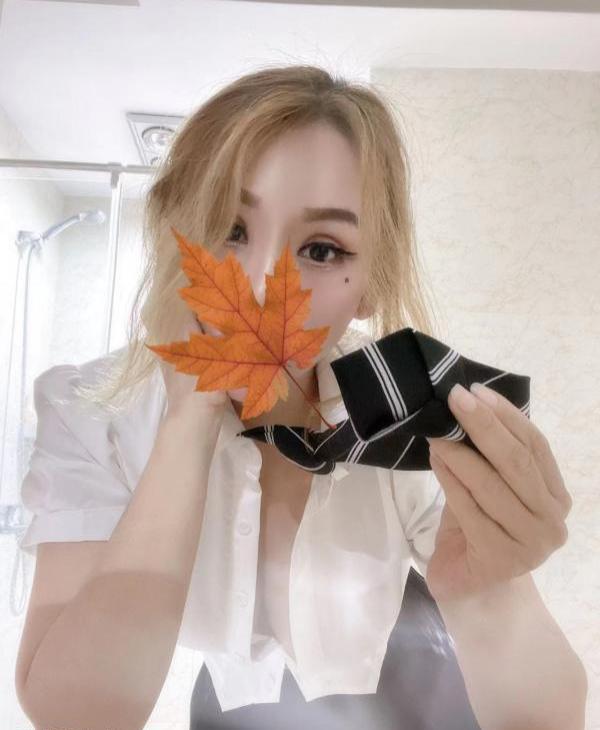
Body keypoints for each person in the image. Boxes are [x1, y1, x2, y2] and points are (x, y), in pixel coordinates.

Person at [14, 64, 480, 730]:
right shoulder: (94, 413)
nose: (262, 287)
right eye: (229, 230)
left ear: (372, 284)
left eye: (322, 249)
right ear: (172, 238)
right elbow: (75, 713)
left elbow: (536, 685)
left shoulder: (407, 409)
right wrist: (190, 419)